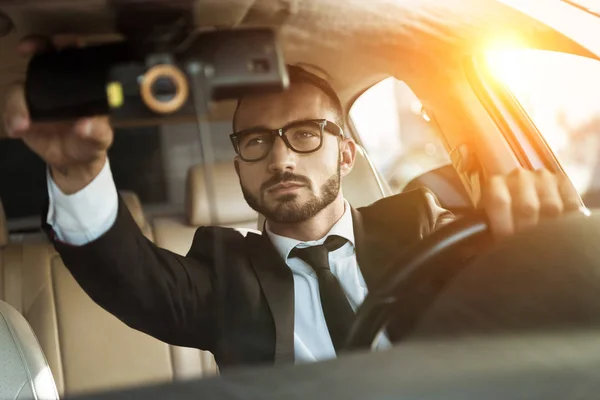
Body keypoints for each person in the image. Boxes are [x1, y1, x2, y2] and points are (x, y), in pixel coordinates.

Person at [3, 37, 581, 369]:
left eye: (305, 134)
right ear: (239, 167)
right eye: (255, 142)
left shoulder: (421, 222)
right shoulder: (225, 272)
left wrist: (544, 246)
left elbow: (508, 288)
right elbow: (129, 277)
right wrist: (77, 170)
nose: (280, 159)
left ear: (346, 154)